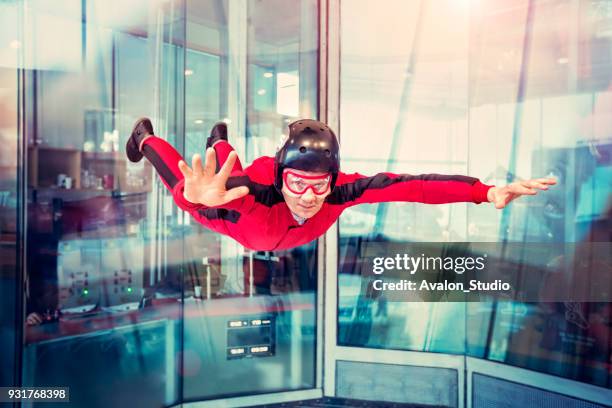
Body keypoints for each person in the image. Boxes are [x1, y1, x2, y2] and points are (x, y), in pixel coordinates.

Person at [125, 118, 556, 251]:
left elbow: (415, 186)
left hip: (269, 232)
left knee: (218, 168)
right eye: (298, 184)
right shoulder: (254, 188)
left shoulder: (343, 190)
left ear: (333, 179)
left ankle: (218, 140)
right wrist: (191, 196)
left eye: (320, 186)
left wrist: (484, 192)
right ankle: (144, 135)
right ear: (281, 177)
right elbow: (194, 199)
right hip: (235, 218)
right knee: (205, 172)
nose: (310, 198)